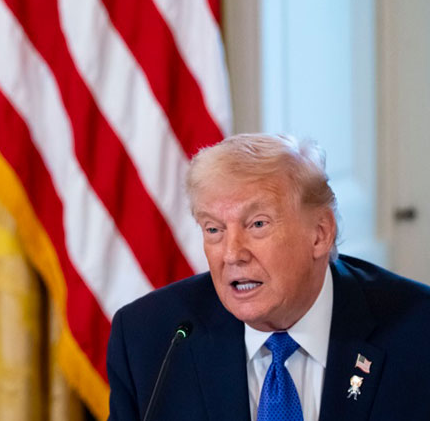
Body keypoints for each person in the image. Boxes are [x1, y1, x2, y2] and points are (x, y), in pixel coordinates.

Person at [107, 133, 430, 421]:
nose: (232, 254)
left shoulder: (418, 331)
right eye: (214, 229)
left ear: (320, 234)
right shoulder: (150, 338)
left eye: (257, 224)